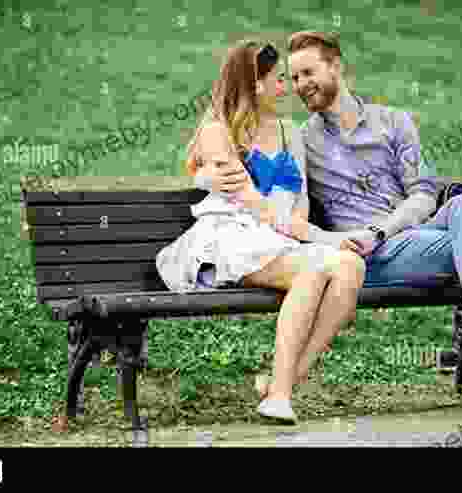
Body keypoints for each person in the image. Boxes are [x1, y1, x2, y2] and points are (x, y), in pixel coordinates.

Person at [204, 31, 462, 412]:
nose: (300, 85)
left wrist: (383, 229)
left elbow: (424, 194)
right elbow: (261, 166)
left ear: (336, 66)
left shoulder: (393, 122)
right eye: (293, 79)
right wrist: (207, 176)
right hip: (372, 256)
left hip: (402, 234)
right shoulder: (303, 140)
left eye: (308, 72)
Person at [156, 40, 366, 424]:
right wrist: (323, 238)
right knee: (312, 270)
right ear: (255, 84)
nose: (289, 88)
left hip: (277, 237)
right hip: (231, 238)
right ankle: (280, 396)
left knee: (351, 266)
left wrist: (314, 234)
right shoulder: (218, 131)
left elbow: (298, 203)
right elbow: (253, 203)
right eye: (280, 79)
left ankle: (282, 382)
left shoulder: (290, 132)